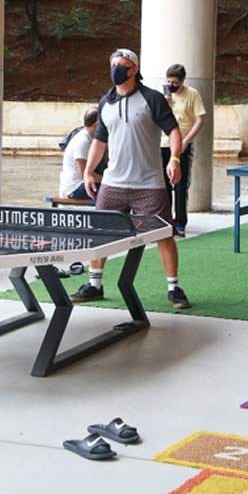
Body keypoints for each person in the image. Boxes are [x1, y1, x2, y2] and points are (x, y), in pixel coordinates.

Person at [71, 48, 192, 309]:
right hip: (113, 183)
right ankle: (95, 284)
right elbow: (99, 142)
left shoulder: (152, 98)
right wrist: (89, 171)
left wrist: (174, 159)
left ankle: (174, 288)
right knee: (98, 230)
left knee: (163, 234)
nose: (116, 68)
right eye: (113, 63)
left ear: (134, 69)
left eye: (122, 64)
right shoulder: (105, 102)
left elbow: (173, 132)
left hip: (149, 183)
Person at [160, 64, 206, 236]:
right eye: (169, 82)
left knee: (180, 184)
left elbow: (200, 119)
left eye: (175, 83)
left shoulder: (192, 94)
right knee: (163, 185)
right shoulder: (164, 96)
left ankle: (180, 222)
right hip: (163, 143)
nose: (172, 85)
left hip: (182, 144)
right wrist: (165, 103)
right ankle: (166, 221)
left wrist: (187, 141)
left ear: (183, 81)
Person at [59, 106, 101, 200]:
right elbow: (85, 175)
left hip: (81, 184)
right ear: (96, 125)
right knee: (112, 192)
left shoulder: (89, 137)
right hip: (75, 188)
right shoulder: (83, 141)